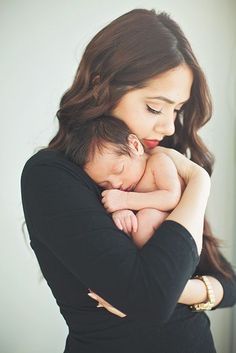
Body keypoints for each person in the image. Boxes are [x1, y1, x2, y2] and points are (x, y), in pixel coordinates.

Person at [21, 8, 236, 353]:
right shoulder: (51, 175)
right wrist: (196, 184)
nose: (168, 127)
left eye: (177, 109)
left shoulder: (163, 163)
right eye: (154, 107)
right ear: (102, 87)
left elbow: (227, 282)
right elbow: (152, 302)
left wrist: (181, 290)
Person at [81, 115, 185, 248]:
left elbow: (172, 197)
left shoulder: (157, 162)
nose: (115, 185)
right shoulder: (120, 188)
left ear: (135, 146)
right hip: (145, 244)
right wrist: (121, 211)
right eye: (103, 184)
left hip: (177, 221)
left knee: (146, 218)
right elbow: (117, 204)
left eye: (119, 170)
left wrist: (125, 200)